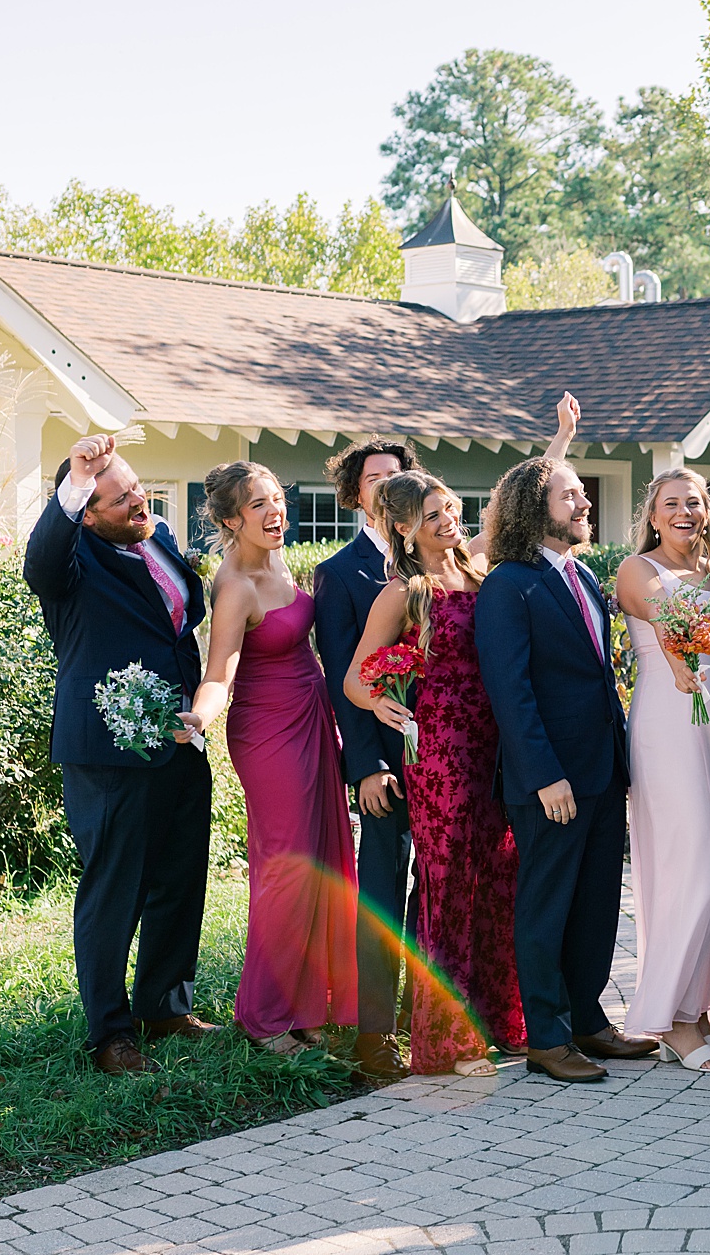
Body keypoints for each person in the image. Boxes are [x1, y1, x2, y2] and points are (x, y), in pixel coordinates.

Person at [23, 435, 212, 1075]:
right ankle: (110, 1034)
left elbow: (180, 622)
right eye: (118, 497)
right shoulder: (70, 560)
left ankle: (164, 1006)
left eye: (136, 486)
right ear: (86, 511)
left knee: (181, 878)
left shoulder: (155, 536)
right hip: (109, 751)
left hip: (181, 739)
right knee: (114, 890)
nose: (139, 500)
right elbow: (40, 563)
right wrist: (74, 482)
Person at [477, 457, 655, 1083]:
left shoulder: (580, 575)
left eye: (582, 495)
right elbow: (511, 689)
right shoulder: (507, 585)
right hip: (550, 778)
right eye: (568, 497)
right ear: (533, 506)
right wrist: (544, 774)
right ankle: (546, 1037)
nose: (583, 505)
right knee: (548, 906)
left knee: (599, 903)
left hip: (602, 770)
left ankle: (588, 1021)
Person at [345, 471, 522, 1076]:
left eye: (450, 508)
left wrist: (558, 443)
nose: (449, 521)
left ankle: (499, 1020)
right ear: (402, 528)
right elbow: (352, 678)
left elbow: (510, 501)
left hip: (495, 746)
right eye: (433, 516)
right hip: (440, 755)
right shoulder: (403, 593)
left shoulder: (476, 571)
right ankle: (449, 1043)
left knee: (499, 876)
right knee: (448, 890)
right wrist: (380, 703)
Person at [186, 462, 357, 1053]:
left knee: (323, 861)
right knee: (286, 869)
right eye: (258, 505)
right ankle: (265, 1016)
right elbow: (219, 673)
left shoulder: (279, 558)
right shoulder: (235, 584)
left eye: (278, 499)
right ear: (232, 520)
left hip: (314, 717)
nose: (274, 512)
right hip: (268, 734)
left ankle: (308, 1004)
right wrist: (199, 718)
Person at [614, 469, 710, 1072]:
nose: (683, 512)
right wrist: (678, 660)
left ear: (708, 512)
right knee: (692, 864)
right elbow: (671, 633)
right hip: (669, 720)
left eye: (694, 503)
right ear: (652, 515)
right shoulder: (638, 570)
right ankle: (670, 1017)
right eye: (670, 504)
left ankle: (697, 1009)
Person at [312, 435, 422, 1082]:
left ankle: (426, 1022)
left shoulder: (435, 563)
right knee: (382, 890)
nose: (384, 486)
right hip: (383, 762)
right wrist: (366, 766)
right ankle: (374, 1037)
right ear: (357, 492)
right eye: (372, 478)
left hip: (438, 759)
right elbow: (342, 680)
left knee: (432, 896)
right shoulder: (338, 573)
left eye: (395, 476)